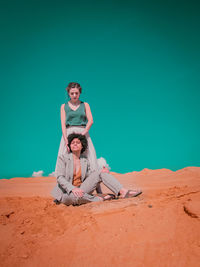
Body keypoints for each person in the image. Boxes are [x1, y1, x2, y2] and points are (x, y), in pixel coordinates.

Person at [51, 134, 142, 206]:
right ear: (69, 146)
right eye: (72, 142)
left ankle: (123, 192)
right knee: (73, 197)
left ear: (82, 146)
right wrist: (72, 188)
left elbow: (90, 176)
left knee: (99, 173)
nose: (75, 144)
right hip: (66, 192)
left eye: (78, 142)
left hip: (82, 189)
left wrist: (101, 172)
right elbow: (59, 177)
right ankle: (100, 199)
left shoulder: (85, 161)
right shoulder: (62, 158)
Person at [55, 82, 102, 193]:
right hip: (68, 132)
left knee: (90, 158)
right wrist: (66, 139)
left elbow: (91, 120)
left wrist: (84, 133)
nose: (74, 95)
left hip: (82, 131)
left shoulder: (85, 105)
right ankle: (61, 192)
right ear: (68, 93)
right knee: (64, 158)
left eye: (76, 93)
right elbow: (62, 124)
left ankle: (98, 190)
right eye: (72, 93)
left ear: (80, 93)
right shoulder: (63, 106)